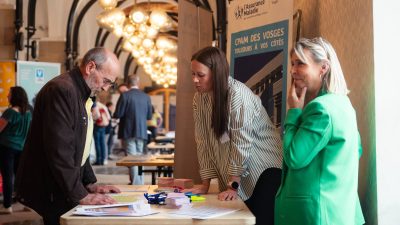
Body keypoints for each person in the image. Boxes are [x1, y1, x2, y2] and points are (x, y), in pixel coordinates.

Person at [15, 47, 121, 225]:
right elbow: (60, 149)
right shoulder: (62, 90)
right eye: (105, 80)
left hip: (64, 184)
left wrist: (89, 183)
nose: (105, 87)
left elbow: (81, 145)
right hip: (52, 186)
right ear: (90, 67)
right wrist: (80, 194)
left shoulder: (81, 93)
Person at [274, 37, 365, 225]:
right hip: (339, 213)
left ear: (323, 68)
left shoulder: (320, 109)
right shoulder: (344, 104)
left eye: (300, 63)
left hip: (316, 215)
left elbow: (293, 157)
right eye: (292, 64)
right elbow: (356, 150)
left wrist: (293, 112)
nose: (292, 71)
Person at [188, 46, 283, 225]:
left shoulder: (237, 95)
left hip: (264, 170)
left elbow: (242, 143)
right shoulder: (199, 98)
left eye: (200, 75)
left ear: (216, 73)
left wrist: (233, 184)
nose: (195, 80)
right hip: (239, 174)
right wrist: (205, 183)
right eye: (193, 74)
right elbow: (203, 141)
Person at [113, 74, 152, 185]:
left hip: (128, 130)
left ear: (127, 83)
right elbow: (149, 116)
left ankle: (136, 184)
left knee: (132, 157)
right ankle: (140, 182)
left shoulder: (125, 96)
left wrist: (115, 115)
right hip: (142, 131)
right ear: (138, 83)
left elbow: (118, 113)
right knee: (139, 157)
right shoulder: (146, 96)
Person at [0, 87, 31, 214]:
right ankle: (28, 203)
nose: (7, 96)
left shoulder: (10, 112)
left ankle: (7, 206)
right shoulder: (28, 113)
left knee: (8, 177)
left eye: (10, 94)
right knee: (22, 177)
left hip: (7, 148)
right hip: (22, 148)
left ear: (15, 96)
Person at [92, 99, 111, 165]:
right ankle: (103, 159)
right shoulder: (103, 106)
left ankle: (99, 160)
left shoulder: (95, 105)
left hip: (97, 126)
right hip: (104, 126)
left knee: (97, 144)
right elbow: (109, 117)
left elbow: (96, 115)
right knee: (103, 143)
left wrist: (93, 119)